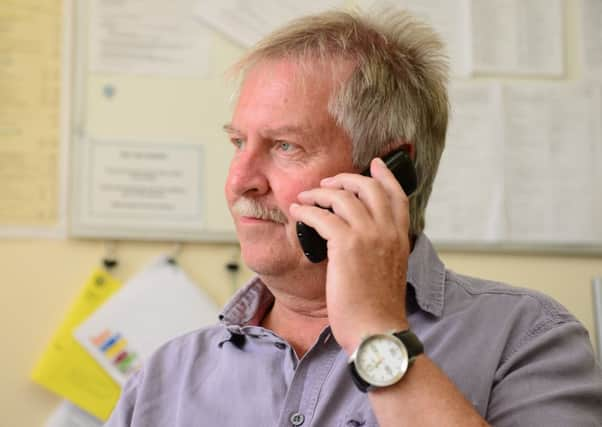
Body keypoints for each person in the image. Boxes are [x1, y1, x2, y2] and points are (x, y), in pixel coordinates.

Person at [105, 8, 602, 427]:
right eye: (238, 143)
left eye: (284, 146)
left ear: (385, 174)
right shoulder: (164, 378)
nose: (240, 181)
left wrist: (374, 330)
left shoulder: (528, 338)